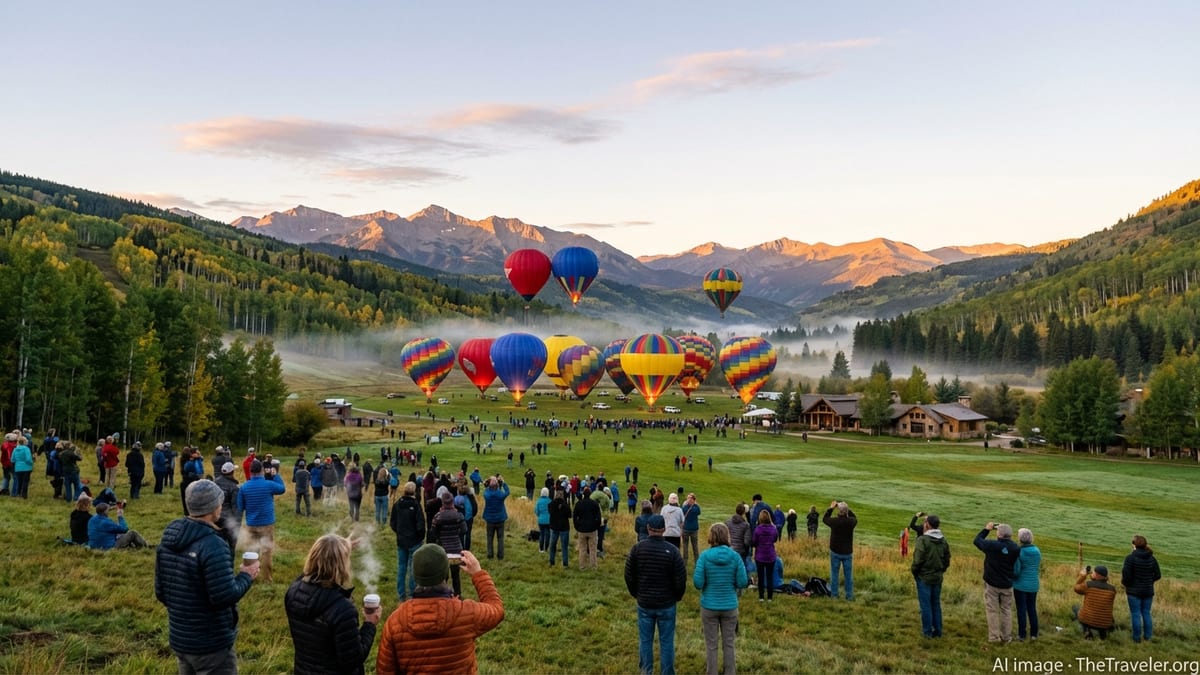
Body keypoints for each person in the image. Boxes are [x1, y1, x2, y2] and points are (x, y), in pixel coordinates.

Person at [155, 479, 259, 673]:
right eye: (219, 502)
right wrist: (247, 575)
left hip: (181, 639)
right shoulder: (214, 544)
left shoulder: (169, 536)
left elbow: (161, 592)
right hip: (211, 644)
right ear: (213, 508)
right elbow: (224, 596)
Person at [375, 546, 504, 674]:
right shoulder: (467, 613)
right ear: (445, 574)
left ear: (415, 575)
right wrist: (478, 574)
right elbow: (496, 609)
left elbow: (385, 670)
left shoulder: (394, 622)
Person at [285, 534, 380, 675]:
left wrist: (342, 547)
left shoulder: (293, 593)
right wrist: (370, 624)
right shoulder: (343, 610)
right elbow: (352, 660)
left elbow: (309, 571)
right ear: (341, 565)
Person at [625, 514, 687, 675]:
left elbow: (629, 575)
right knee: (666, 642)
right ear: (664, 529)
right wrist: (676, 596)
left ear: (648, 529)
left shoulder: (637, 548)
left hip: (645, 601)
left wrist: (636, 593)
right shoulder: (672, 551)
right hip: (666, 603)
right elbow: (681, 579)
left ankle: (646, 671)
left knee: (645, 640)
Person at [693, 522, 748, 675]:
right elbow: (743, 582)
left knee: (711, 645)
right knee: (729, 644)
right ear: (727, 536)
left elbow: (698, 583)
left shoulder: (704, 556)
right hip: (729, 605)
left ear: (711, 536)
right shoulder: (735, 557)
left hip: (709, 605)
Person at [236, 459, 286, 583]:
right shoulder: (268, 484)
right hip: (266, 525)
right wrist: (275, 475)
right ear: (262, 471)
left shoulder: (244, 487)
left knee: (251, 551)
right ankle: (267, 579)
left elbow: (240, 507)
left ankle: (248, 577)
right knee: (267, 552)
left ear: (250, 472)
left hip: (251, 524)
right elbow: (282, 489)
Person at [974, 521, 1021, 643]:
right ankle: (1006, 637)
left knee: (992, 610)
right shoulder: (1015, 548)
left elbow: (977, 541)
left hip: (992, 583)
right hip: (1007, 583)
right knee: (1006, 610)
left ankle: (994, 637)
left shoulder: (992, 546)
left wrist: (987, 529)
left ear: (999, 534)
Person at [911, 514, 950, 638]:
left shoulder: (922, 540)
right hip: (937, 576)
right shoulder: (943, 540)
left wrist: (915, 571)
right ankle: (938, 631)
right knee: (936, 604)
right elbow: (947, 559)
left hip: (924, 577)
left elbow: (918, 560)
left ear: (927, 524)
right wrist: (941, 570)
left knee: (926, 605)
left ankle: (927, 632)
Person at [389, 482, 426, 602]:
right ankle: (411, 593)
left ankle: (401, 595)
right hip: (414, 541)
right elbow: (421, 525)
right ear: (414, 492)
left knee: (401, 567)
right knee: (412, 568)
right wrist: (420, 537)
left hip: (401, 540)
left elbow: (392, 523)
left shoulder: (397, 504)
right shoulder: (416, 505)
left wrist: (399, 532)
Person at [1122, 535, 1161, 643]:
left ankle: (1136, 638)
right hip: (1148, 591)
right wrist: (1149, 581)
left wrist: (1126, 584)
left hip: (1133, 591)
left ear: (1134, 545)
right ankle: (1148, 637)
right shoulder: (1152, 558)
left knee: (1135, 614)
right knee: (1146, 613)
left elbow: (1126, 576)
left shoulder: (1130, 558)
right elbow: (1158, 575)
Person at [430, 489, 465, 596]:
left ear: (443, 502)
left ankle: (443, 596)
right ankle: (458, 597)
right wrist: (456, 534)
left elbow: (433, 532)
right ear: (452, 502)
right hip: (456, 549)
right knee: (456, 576)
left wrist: (440, 537)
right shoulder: (459, 515)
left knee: (443, 576)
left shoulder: (438, 516)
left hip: (443, 550)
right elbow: (464, 530)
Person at [823, 501, 858, 600]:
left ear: (839, 512)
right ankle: (849, 596)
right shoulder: (851, 522)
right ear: (846, 512)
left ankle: (834, 595)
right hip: (847, 552)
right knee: (848, 575)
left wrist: (831, 508)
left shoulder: (834, 521)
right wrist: (847, 508)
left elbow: (825, 519)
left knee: (834, 574)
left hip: (835, 551)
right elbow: (855, 518)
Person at [1073, 564, 1117, 640]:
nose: (1091, 574)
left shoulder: (1088, 585)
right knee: (1104, 612)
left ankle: (1087, 631)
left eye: (1093, 573)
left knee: (1075, 608)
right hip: (1105, 624)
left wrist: (1082, 576)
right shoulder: (1112, 589)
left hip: (1088, 620)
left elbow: (1076, 588)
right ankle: (1103, 633)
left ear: (1097, 575)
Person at [1013, 528, 1041, 642]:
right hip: (1033, 584)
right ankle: (1034, 633)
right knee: (1032, 609)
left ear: (1020, 539)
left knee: (1021, 609)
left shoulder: (1019, 552)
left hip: (1020, 585)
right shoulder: (1037, 550)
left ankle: (1022, 634)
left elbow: (1016, 571)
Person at [752, 509, 778, 601]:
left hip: (760, 555)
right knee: (770, 576)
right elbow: (775, 539)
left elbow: (754, 542)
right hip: (770, 555)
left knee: (761, 577)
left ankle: (761, 596)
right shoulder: (773, 529)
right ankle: (770, 597)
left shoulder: (758, 529)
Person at [481, 475, 510, 560]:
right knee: (500, 538)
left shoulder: (487, 494)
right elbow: (507, 492)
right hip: (500, 519)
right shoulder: (500, 494)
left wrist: (486, 483)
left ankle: (490, 554)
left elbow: (485, 490)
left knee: (489, 537)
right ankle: (500, 555)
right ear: (497, 485)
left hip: (490, 519)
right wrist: (503, 483)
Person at [574, 486, 602, 570]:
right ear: (590, 494)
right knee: (593, 549)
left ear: (583, 494)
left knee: (582, 549)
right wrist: (596, 526)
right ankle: (593, 566)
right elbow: (599, 517)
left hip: (582, 529)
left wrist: (577, 527)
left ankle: (582, 566)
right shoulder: (594, 504)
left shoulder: (579, 504)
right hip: (592, 529)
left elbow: (575, 516)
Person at [548, 488, 572, 567]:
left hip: (554, 527)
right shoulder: (565, 505)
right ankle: (565, 563)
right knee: (564, 546)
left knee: (552, 545)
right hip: (564, 528)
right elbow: (570, 515)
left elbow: (550, 512)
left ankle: (552, 562)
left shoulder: (551, 504)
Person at [680, 493, 702, 567]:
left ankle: (685, 563)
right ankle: (697, 562)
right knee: (695, 546)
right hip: (693, 529)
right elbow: (699, 512)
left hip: (686, 529)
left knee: (685, 546)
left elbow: (682, 513)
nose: (688, 499)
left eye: (689, 498)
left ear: (692, 499)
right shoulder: (696, 508)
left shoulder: (685, 507)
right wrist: (695, 504)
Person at [11, 435, 33, 499]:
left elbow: (12, 459)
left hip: (18, 467)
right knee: (25, 481)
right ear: (25, 442)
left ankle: (18, 493)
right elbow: (28, 459)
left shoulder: (15, 449)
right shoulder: (26, 449)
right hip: (26, 467)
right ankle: (24, 495)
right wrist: (31, 463)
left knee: (19, 481)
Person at [534, 487, 552, 553]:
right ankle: (546, 548)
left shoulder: (539, 501)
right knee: (548, 535)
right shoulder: (550, 501)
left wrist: (540, 516)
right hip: (548, 520)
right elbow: (552, 511)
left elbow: (536, 511)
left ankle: (541, 549)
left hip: (541, 520)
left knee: (541, 534)